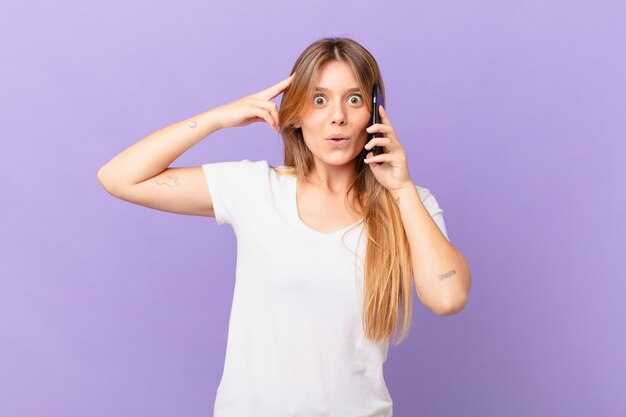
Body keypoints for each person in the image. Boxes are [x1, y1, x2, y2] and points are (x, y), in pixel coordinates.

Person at [98, 36, 471, 417]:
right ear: (296, 113)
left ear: (375, 114)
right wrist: (217, 118)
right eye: (319, 99)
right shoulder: (257, 189)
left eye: (354, 99)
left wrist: (402, 188)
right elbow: (119, 178)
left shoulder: (408, 204)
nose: (337, 116)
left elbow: (448, 297)